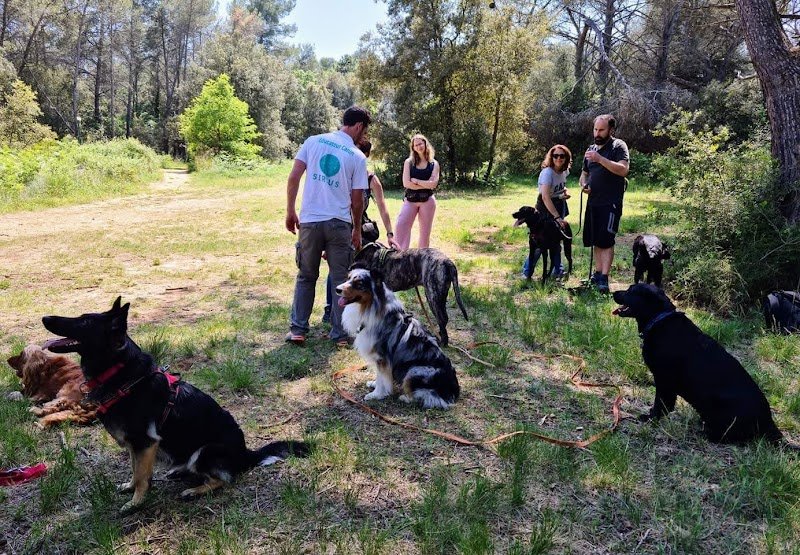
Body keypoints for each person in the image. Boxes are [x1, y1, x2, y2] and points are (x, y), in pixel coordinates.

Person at [285, 106, 371, 346]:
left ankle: (298, 330)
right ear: (358, 126)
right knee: (339, 278)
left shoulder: (313, 141)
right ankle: (340, 334)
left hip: (310, 221)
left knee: (306, 276)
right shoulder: (357, 156)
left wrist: (291, 210)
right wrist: (356, 230)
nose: (362, 136)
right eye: (363, 131)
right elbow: (357, 200)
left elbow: (294, 177)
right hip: (339, 223)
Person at [322, 140, 399, 323]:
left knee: (357, 271)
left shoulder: (371, 179)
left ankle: (360, 310)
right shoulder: (340, 176)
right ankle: (330, 310)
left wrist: (390, 234)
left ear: (365, 156)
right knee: (337, 267)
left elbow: (382, 207)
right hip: (339, 227)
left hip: (361, 230)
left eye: (359, 154)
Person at [580, 114, 630, 293]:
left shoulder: (618, 146)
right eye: (595, 129)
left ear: (611, 130)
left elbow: (623, 170)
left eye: (601, 130)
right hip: (593, 202)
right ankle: (597, 273)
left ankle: (604, 278)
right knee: (595, 240)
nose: (597, 133)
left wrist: (600, 159)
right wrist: (584, 185)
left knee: (606, 240)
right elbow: (584, 173)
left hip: (611, 202)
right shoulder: (591, 149)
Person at [522, 144, 572, 278]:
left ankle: (558, 271)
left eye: (562, 156)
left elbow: (560, 186)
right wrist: (556, 217)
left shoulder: (564, 171)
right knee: (539, 243)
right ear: (551, 157)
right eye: (555, 156)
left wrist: (564, 192)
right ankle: (527, 272)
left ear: (566, 157)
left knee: (556, 240)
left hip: (558, 204)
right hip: (545, 208)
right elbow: (545, 196)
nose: (559, 158)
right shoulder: (547, 173)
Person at [394, 134, 440, 250]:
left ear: (425, 144)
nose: (419, 146)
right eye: (416, 145)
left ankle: (421, 259)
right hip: (410, 200)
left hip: (428, 201)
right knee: (401, 226)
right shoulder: (408, 162)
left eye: (420, 143)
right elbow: (406, 183)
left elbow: (433, 184)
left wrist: (417, 181)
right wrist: (425, 184)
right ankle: (399, 256)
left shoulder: (434, 163)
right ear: (413, 147)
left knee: (425, 233)